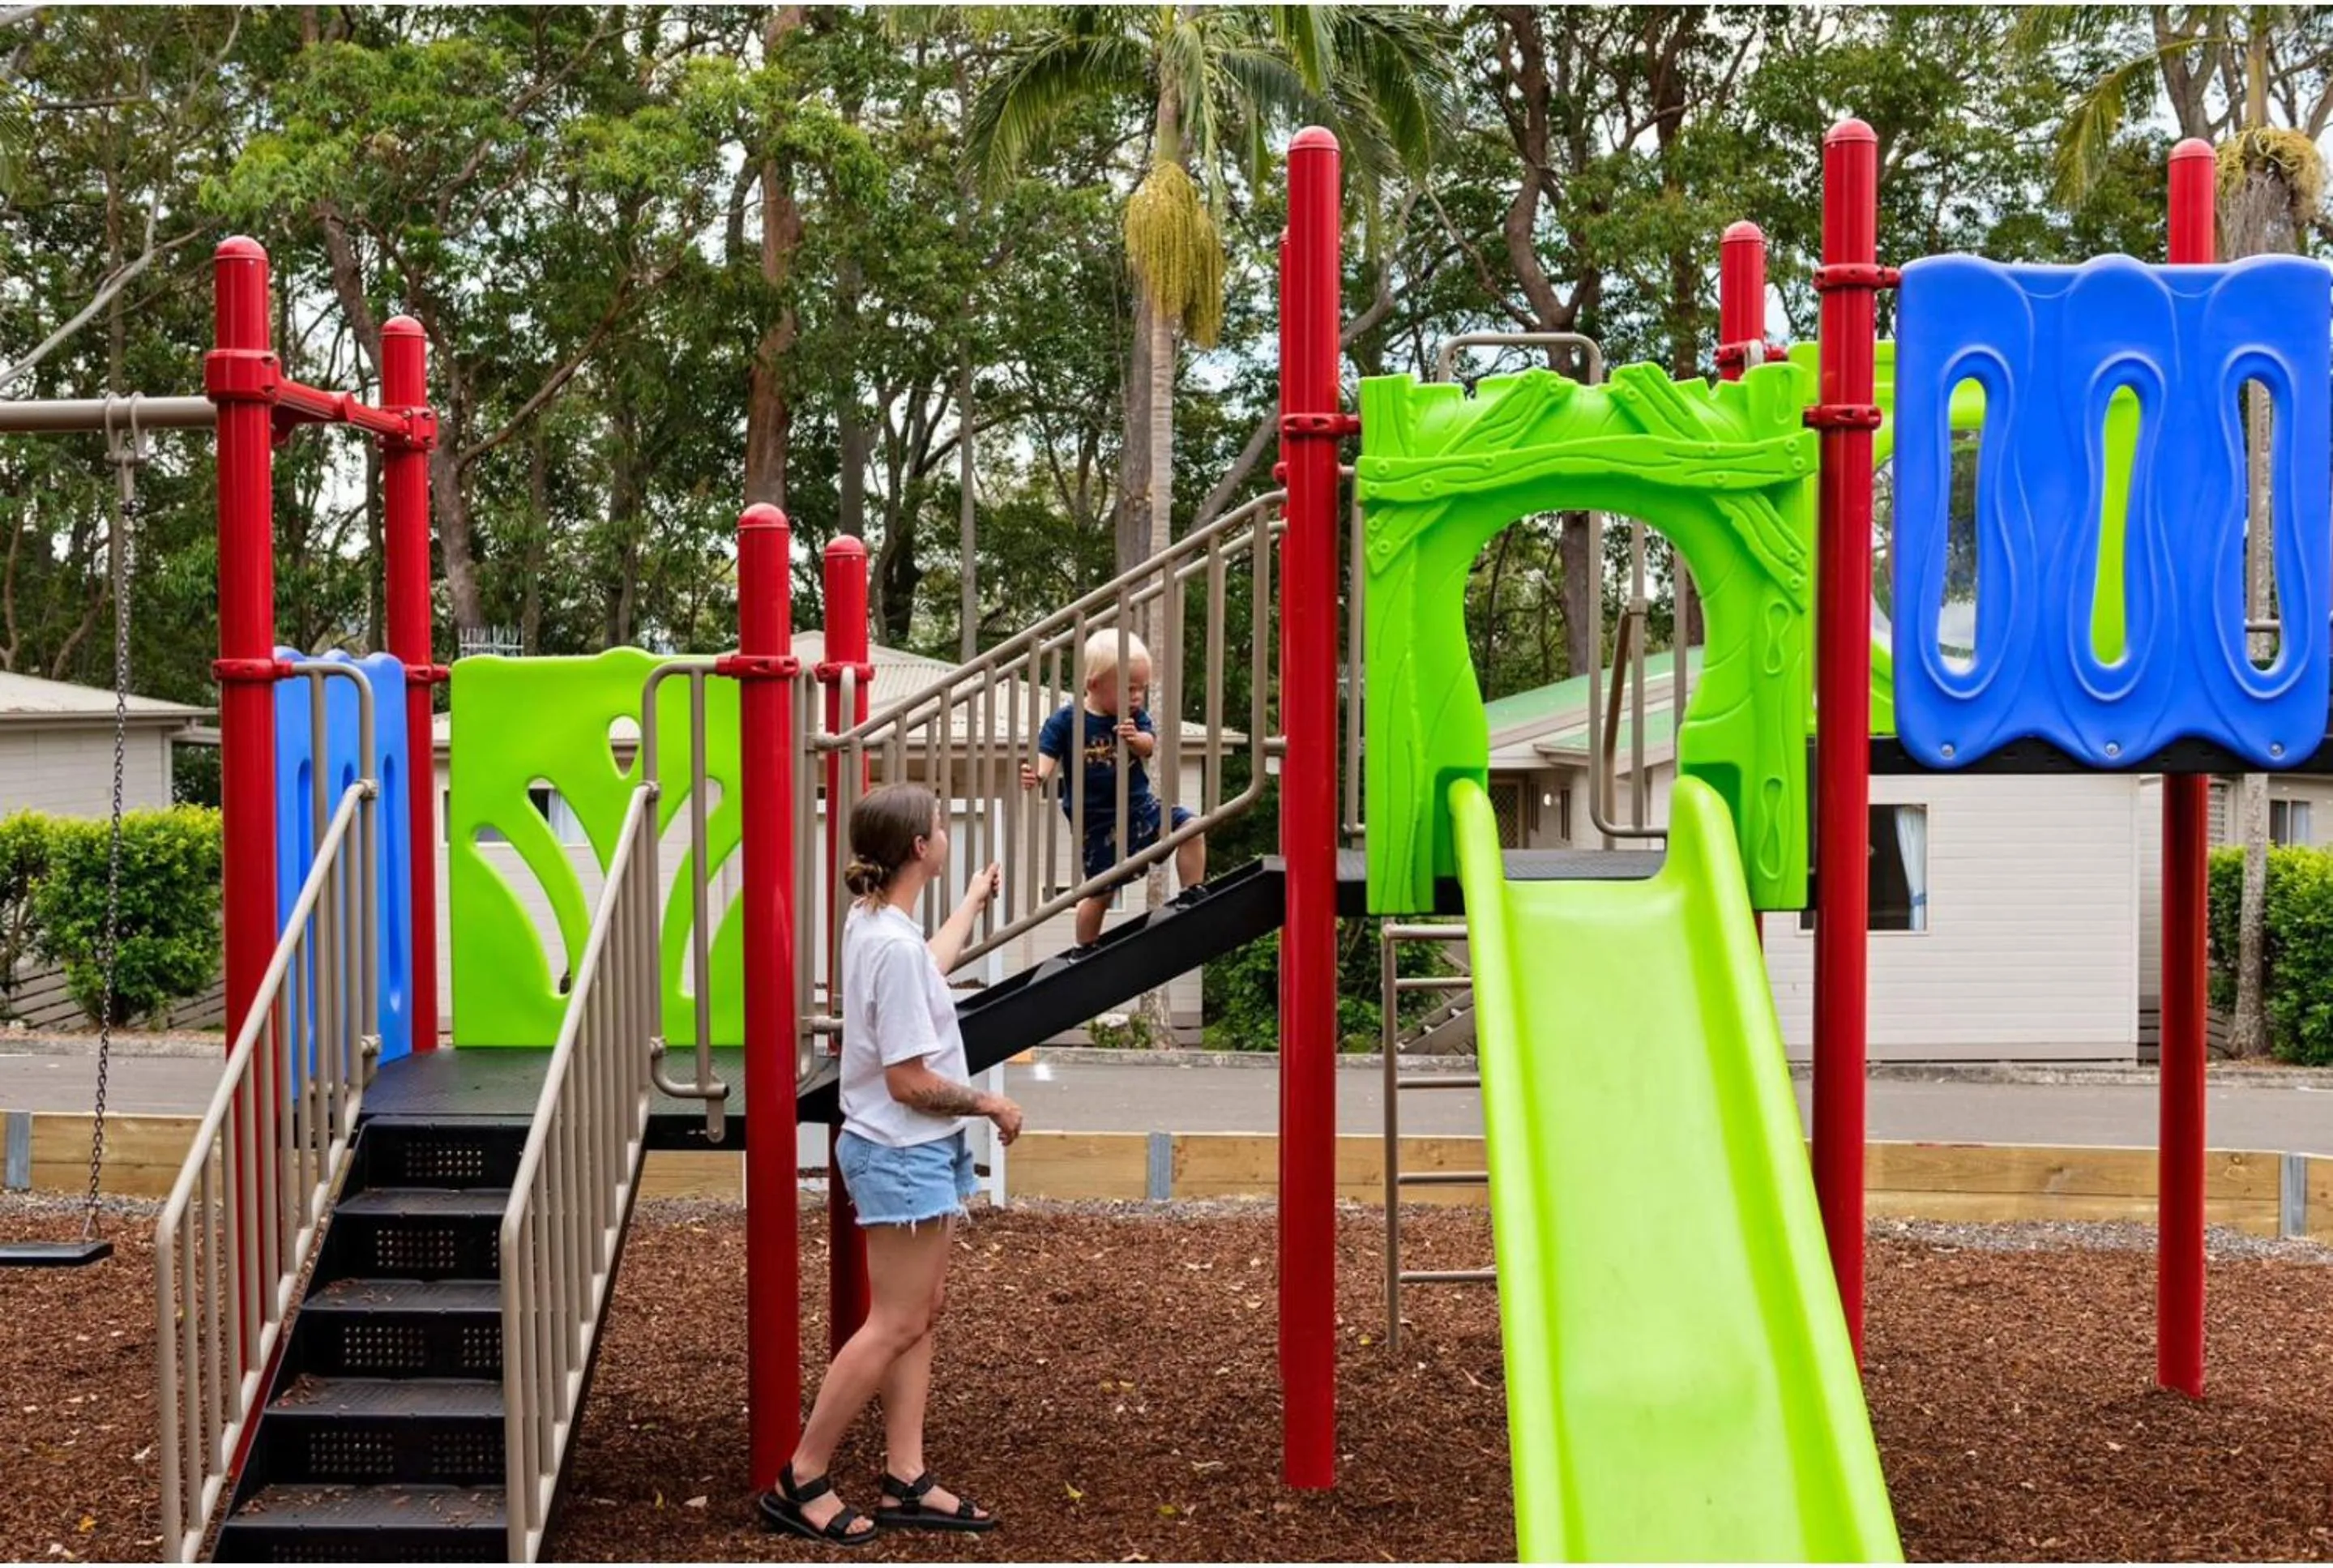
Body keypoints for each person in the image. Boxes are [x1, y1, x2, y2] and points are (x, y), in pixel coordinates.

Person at [760, 781, 1023, 1546]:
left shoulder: (875, 922)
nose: (947, 833)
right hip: (900, 1150)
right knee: (896, 1318)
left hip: (914, 1149)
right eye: (942, 826)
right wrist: (989, 1104)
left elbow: (927, 963)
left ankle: (904, 1475)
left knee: (922, 1309)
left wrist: (971, 902)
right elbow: (908, 1081)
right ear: (920, 847)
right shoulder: (888, 943)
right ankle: (800, 1474)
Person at [1019, 628, 1207, 948]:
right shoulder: (1066, 721)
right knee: (1100, 892)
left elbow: (1148, 746)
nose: (1137, 697)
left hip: (1139, 808)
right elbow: (1046, 756)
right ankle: (1085, 948)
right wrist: (1037, 776)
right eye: (1129, 689)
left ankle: (1192, 891)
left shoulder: (1135, 718)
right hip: (1098, 823)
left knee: (1191, 827)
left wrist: (1136, 741)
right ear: (1093, 685)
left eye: (1142, 689)